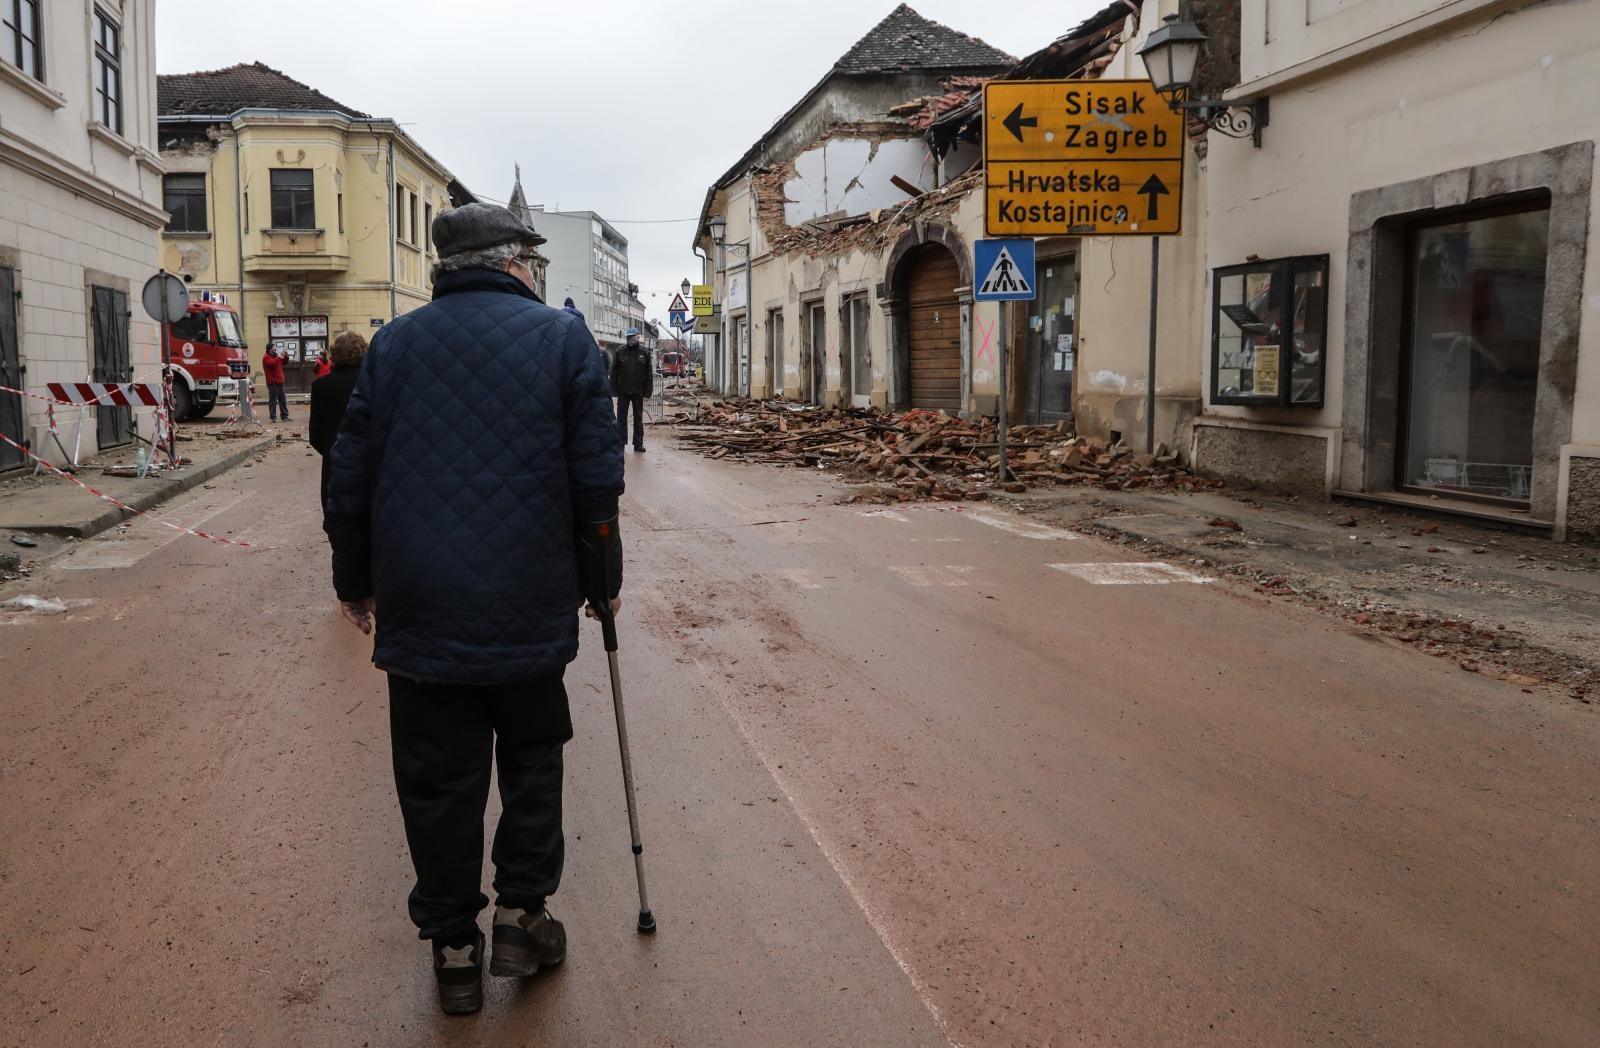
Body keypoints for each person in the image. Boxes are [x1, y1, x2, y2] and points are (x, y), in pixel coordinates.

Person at [323, 203, 625, 1016]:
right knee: (532, 758)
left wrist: (354, 581)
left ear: (443, 269)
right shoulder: (564, 341)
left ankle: (454, 948)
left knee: (435, 778)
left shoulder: (394, 345)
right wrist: (602, 580)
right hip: (527, 595)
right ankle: (523, 918)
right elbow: (595, 482)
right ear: (514, 263)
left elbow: (348, 478)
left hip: (421, 603)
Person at [307, 332, 367, 508]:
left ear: (334, 354)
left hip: (334, 464)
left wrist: (330, 449)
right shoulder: (371, 382)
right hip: (368, 463)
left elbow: (315, 435)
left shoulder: (321, 386)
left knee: (337, 520)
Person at [610, 328, 652, 453]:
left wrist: (647, 391)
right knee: (621, 419)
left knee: (638, 418)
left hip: (638, 391)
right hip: (623, 390)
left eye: (633, 337)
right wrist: (613, 390)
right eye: (629, 337)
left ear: (637, 337)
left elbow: (648, 373)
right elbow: (614, 372)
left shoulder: (644, 352)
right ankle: (620, 443)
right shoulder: (620, 351)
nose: (631, 339)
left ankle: (638, 444)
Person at [262, 346, 289, 422]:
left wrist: (286, 356)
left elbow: (284, 362)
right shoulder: (266, 357)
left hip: (280, 381)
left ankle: (284, 416)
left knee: (282, 400)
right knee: (273, 401)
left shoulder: (276, 356)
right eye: (274, 348)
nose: (276, 349)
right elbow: (273, 363)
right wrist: (280, 357)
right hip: (272, 382)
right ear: (270, 349)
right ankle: (273, 417)